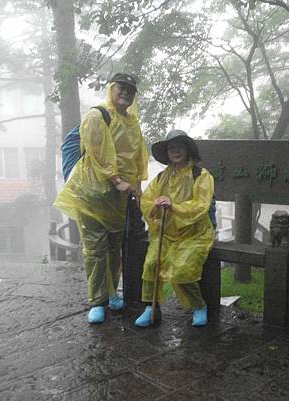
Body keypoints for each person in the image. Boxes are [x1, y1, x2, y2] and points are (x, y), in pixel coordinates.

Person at [54, 72, 148, 324]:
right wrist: (117, 180)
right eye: (121, 87)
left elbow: (138, 158)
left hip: (118, 199)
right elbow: (98, 154)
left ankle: (110, 292)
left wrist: (137, 187)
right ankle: (97, 301)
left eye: (130, 89)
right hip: (92, 194)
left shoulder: (133, 123)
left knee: (114, 248)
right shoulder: (98, 115)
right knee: (95, 249)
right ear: (111, 89)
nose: (126, 92)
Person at [135, 130, 215, 328]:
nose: (175, 151)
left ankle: (198, 306)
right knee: (151, 263)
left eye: (179, 147)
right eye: (171, 148)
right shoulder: (162, 177)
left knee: (183, 267)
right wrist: (157, 205)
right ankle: (151, 307)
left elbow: (201, 205)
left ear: (187, 150)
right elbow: (146, 200)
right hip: (166, 233)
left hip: (194, 234)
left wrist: (175, 207)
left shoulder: (201, 175)